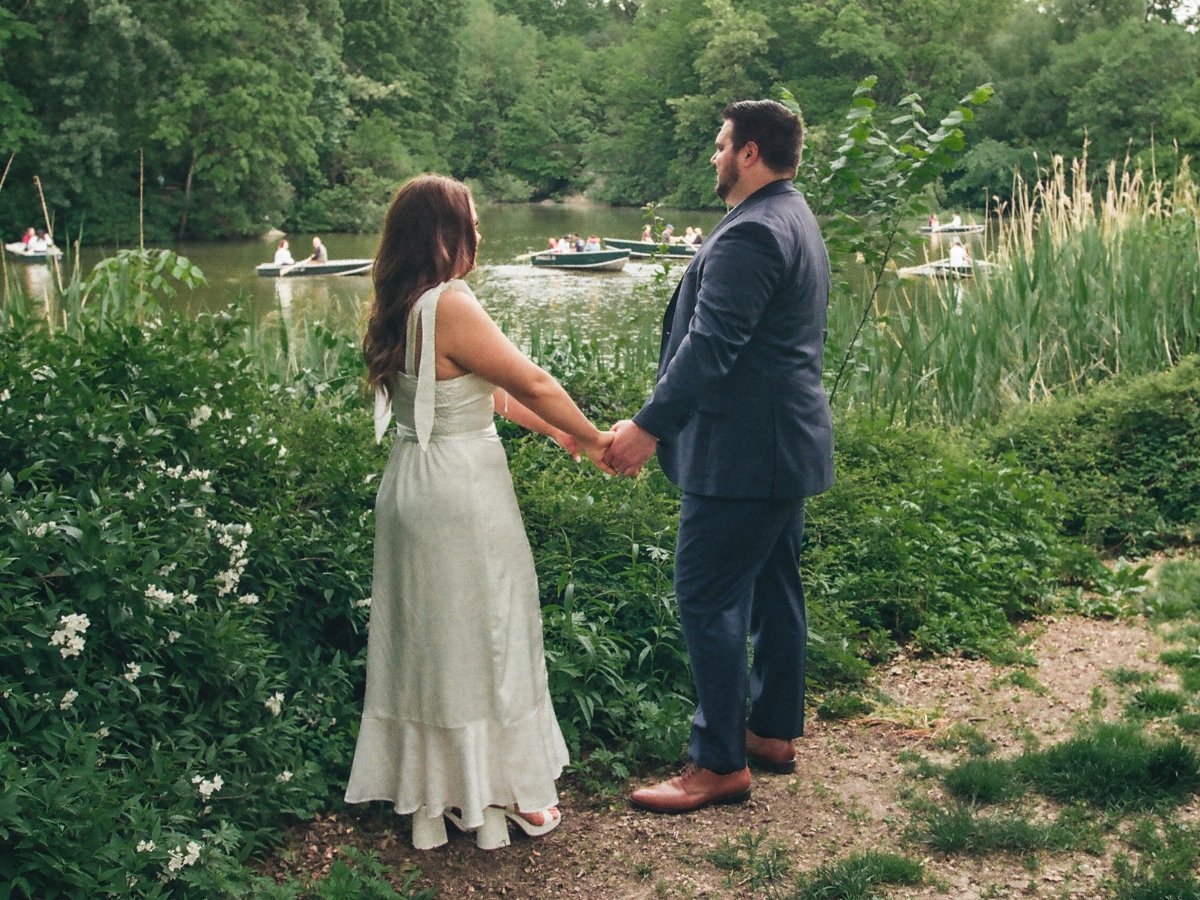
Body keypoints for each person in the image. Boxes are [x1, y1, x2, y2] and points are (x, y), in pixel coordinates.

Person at [346, 174, 615, 851]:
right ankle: (508, 793)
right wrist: (594, 438)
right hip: (461, 492)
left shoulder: (401, 304)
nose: (481, 233)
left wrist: (555, 433)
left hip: (411, 485)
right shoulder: (453, 302)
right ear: (443, 235)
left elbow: (485, 395)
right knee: (489, 635)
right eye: (471, 219)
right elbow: (531, 380)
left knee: (433, 645)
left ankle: (441, 797)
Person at [603, 100, 834, 814]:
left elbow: (710, 348)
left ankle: (719, 763)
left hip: (744, 454)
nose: (713, 156)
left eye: (720, 145)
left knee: (707, 595)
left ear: (751, 153)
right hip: (780, 445)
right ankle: (769, 732)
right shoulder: (792, 214)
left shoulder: (754, 233)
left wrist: (649, 427)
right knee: (773, 589)